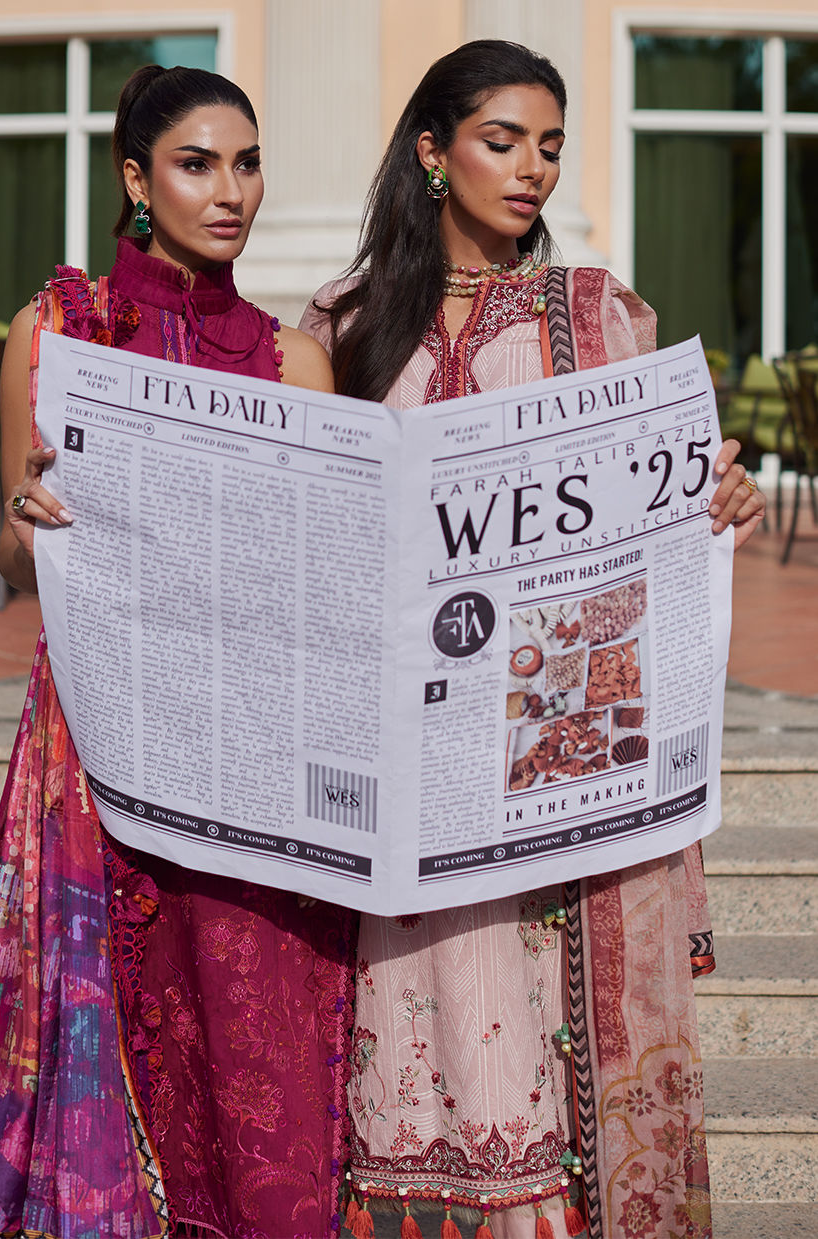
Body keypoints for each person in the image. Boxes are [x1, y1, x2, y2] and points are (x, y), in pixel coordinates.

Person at [300, 40, 765, 1238]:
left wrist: (715, 496)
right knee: (427, 1028)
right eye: (502, 141)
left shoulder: (598, 314)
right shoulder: (344, 325)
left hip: (551, 752)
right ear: (432, 151)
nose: (532, 170)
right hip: (408, 770)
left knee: (548, 1042)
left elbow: (645, 509)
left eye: (549, 146)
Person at [0, 66, 355, 1239]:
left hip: (249, 747)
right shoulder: (58, 332)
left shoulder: (297, 362)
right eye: (196, 164)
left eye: (248, 164)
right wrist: (30, 525)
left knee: (251, 1049)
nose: (231, 192)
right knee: (109, 1032)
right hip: (99, 739)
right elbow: (15, 564)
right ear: (136, 178)